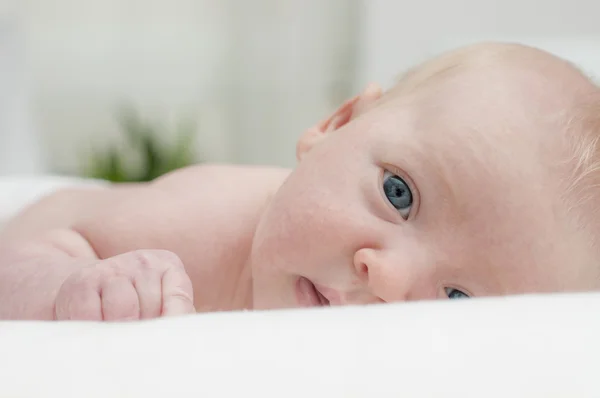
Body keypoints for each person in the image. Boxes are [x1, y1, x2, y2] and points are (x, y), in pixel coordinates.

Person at [2, 42, 600, 320]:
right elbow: (23, 257)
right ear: (336, 124)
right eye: (400, 194)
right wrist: (71, 286)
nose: (388, 279)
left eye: (459, 299)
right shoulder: (195, 225)